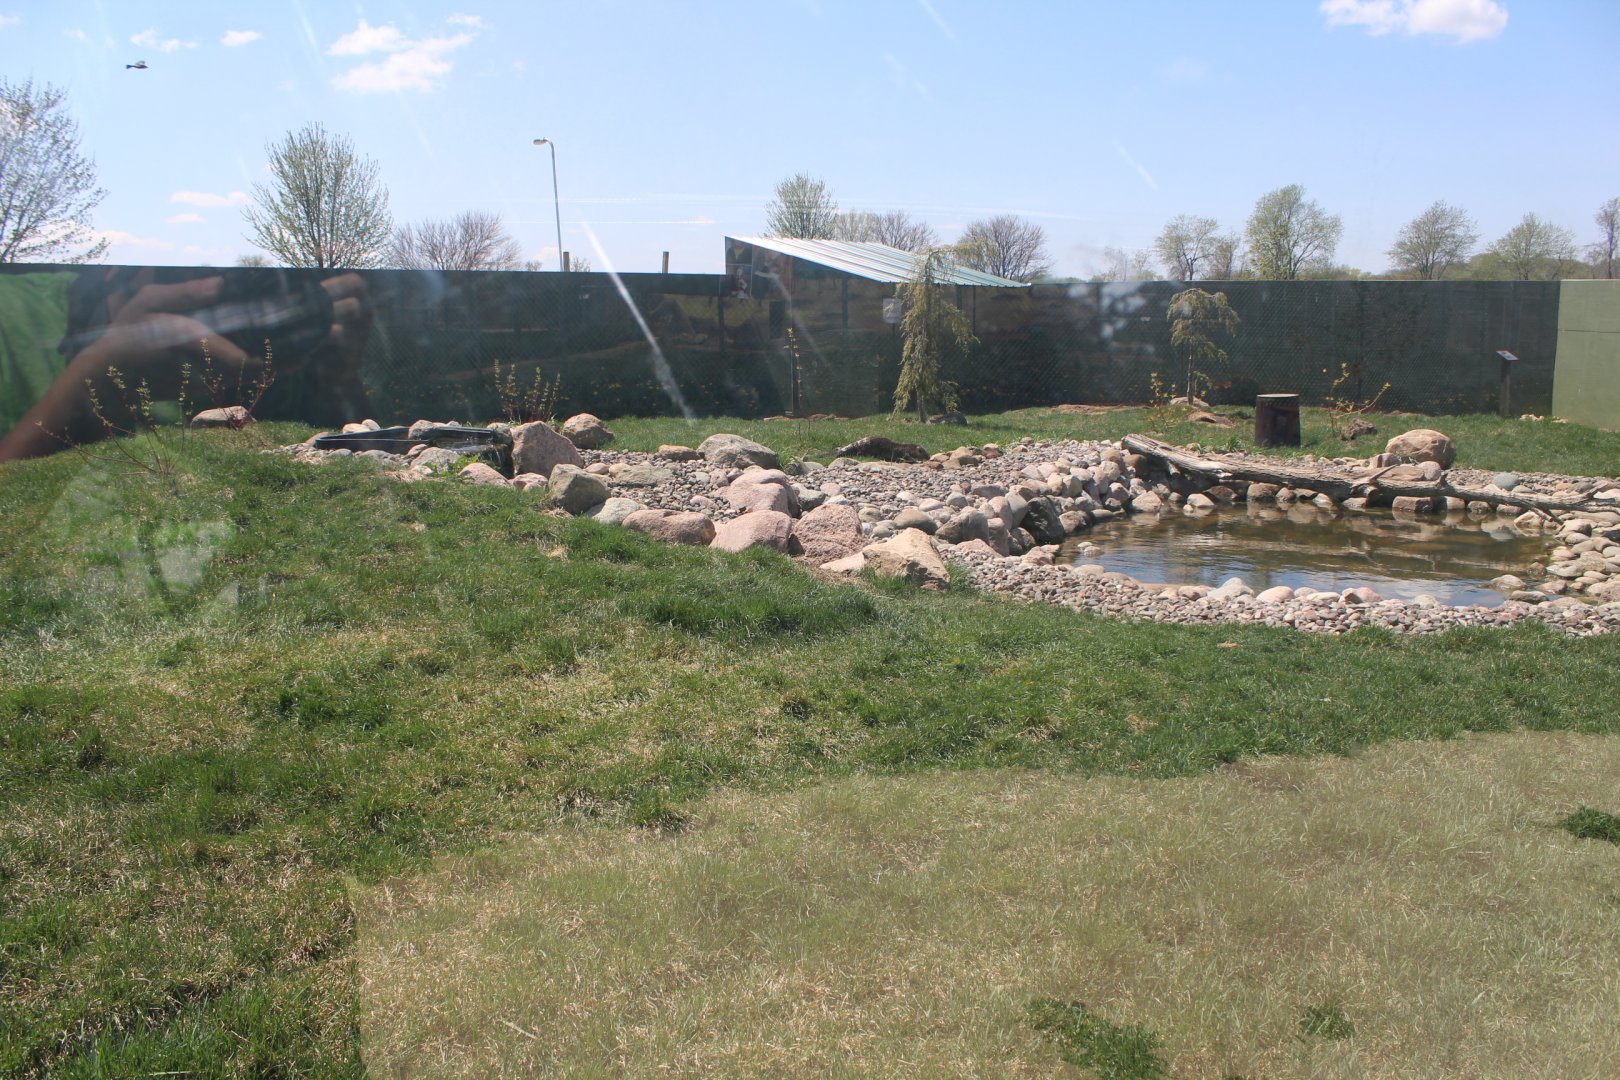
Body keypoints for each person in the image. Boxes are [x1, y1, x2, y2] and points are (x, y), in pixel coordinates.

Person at [0, 267, 373, 463]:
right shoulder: (12, 314)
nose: (224, 319)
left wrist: (336, 382)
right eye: (188, 275)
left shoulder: (293, 340)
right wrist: (99, 374)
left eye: (253, 289)